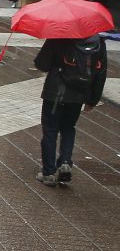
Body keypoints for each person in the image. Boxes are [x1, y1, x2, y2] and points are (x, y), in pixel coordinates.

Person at [33, 34, 107, 186]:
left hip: (55, 93)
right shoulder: (98, 43)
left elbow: (42, 64)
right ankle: (65, 161)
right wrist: (92, 100)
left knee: (50, 130)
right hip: (78, 94)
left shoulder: (59, 35)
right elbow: (100, 74)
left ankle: (49, 172)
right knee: (68, 128)